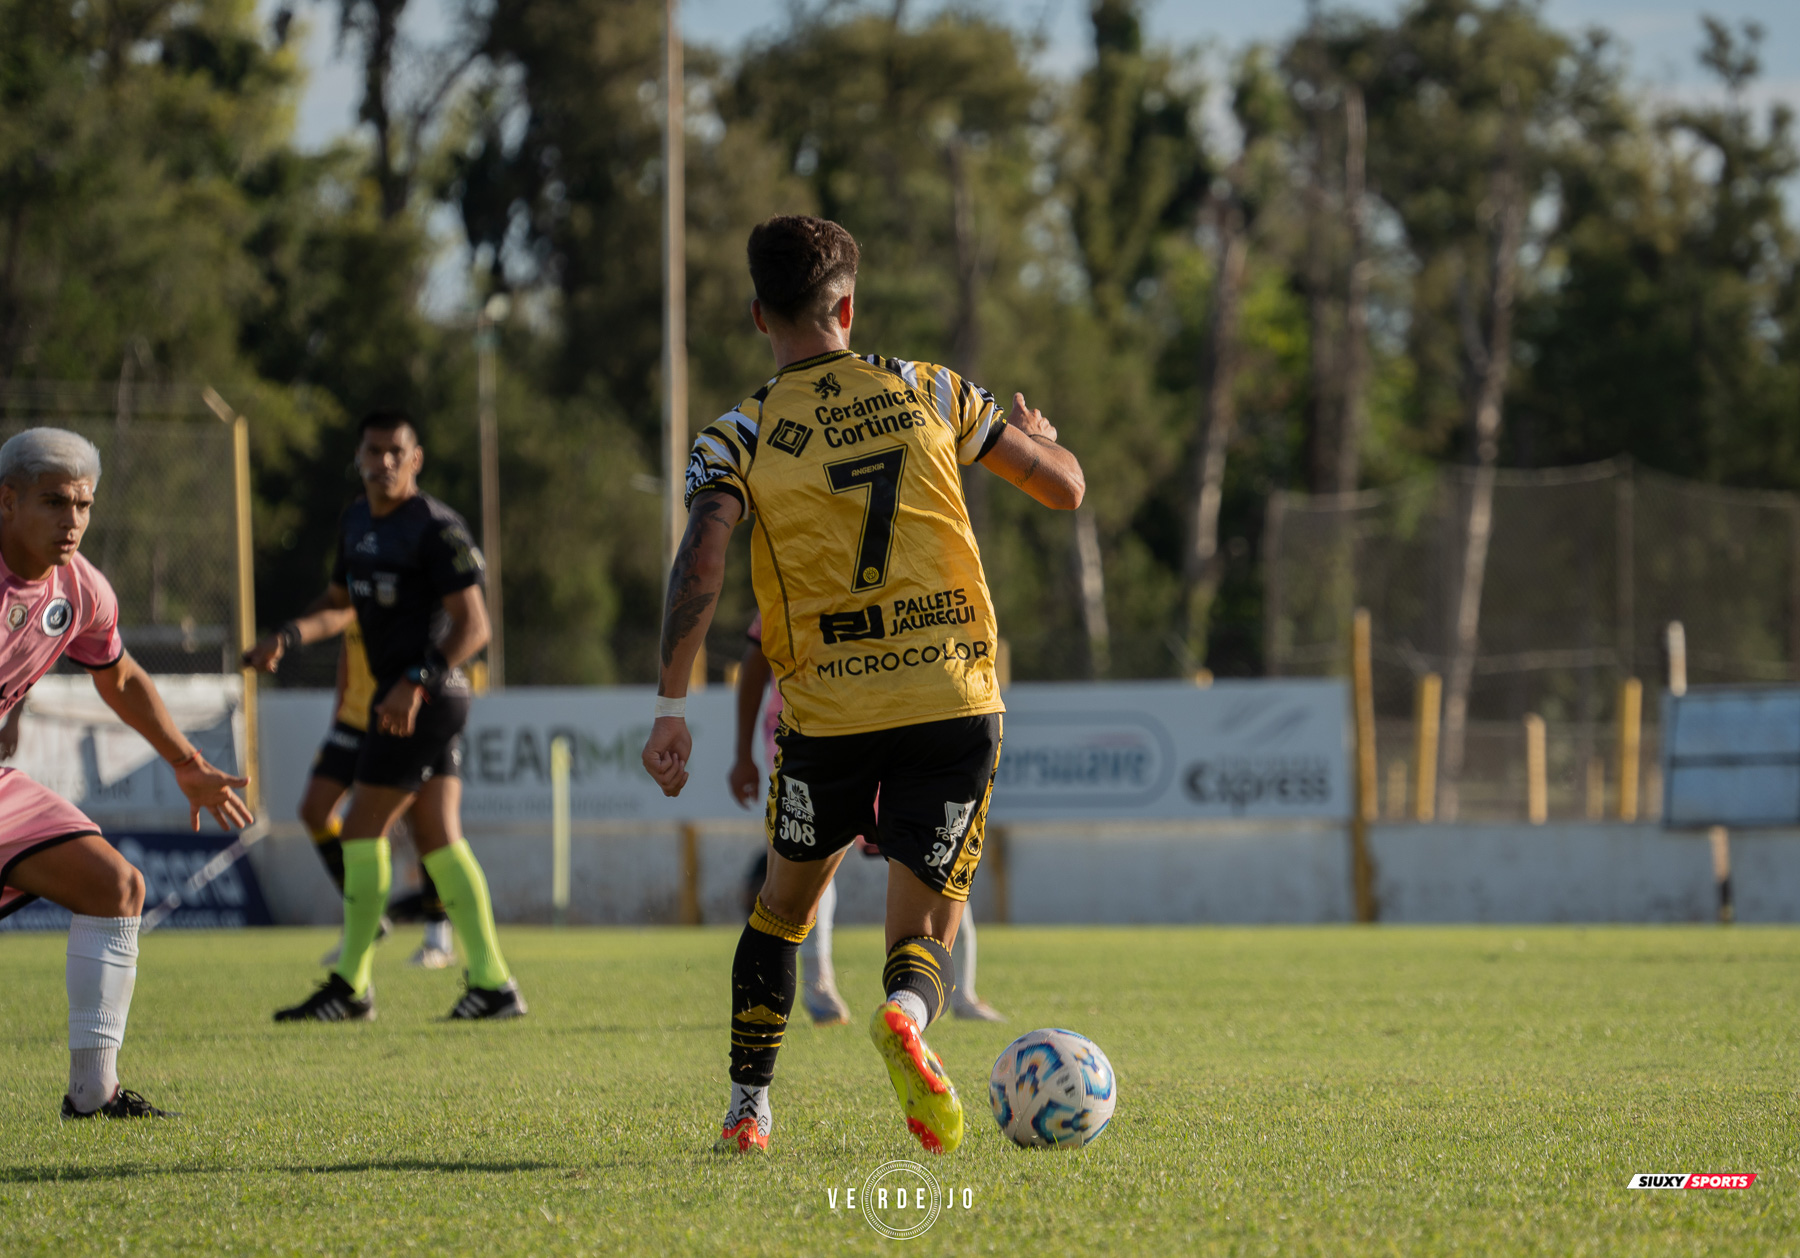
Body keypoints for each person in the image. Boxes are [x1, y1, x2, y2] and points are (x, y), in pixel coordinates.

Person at [644, 215, 1083, 1155]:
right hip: (953, 699)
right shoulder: (932, 388)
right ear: (848, 307)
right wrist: (1037, 437)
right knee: (925, 921)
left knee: (782, 910)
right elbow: (1064, 488)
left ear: (758, 314)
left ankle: (748, 1111)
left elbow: (702, 559)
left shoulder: (737, 433)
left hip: (829, 711)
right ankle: (907, 1016)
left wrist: (672, 706)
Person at [0, 427, 252, 1118]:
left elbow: (119, 677)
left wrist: (187, 763)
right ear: (7, 501)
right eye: (55, 502)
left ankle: (94, 1094)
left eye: (83, 505)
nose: (72, 521)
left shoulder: (80, 589)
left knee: (115, 887)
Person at [247, 409, 524, 1022]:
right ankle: (493, 985)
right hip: (409, 700)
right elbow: (338, 605)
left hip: (422, 701)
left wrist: (414, 682)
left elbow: (475, 626)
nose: (385, 462)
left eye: (397, 451)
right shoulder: (355, 521)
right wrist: (288, 636)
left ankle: (351, 986)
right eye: (374, 451)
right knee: (438, 837)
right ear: (359, 457)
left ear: (415, 459)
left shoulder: (435, 527)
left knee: (359, 831)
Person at [728, 614, 1003, 1026]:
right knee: (814, 861)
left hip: (896, 729)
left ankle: (960, 990)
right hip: (811, 733)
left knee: (938, 858)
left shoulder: (906, 585)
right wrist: (742, 753)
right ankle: (819, 984)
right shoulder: (791, 582)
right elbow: (755, 658)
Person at [302, 617, 455, 969]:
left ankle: (438, 935)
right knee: (315, 810)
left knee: (425, 824)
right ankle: (368, 921)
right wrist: (339, 710)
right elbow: (347, 650)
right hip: (354, 718)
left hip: (398, 713)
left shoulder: (412, 592)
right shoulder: (351, 589)